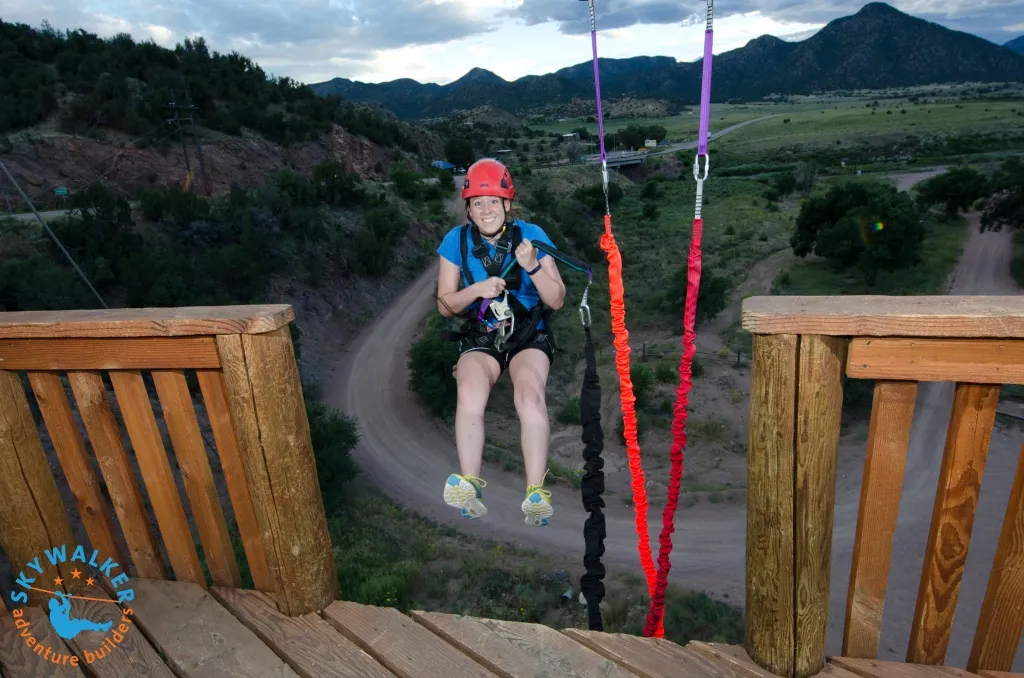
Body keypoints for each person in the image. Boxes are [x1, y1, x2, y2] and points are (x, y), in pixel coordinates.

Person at [435, 158, 566, 527]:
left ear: (508, 204)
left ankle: (536, 493)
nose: (486, 209)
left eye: (493, 201)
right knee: (470, 391)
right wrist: (476, 289)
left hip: (527, 330)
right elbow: (445, 305)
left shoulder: (532, 235)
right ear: (468, 209)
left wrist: (533, 266)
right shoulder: (456, 241)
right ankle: (469, 483)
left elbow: (556, 299)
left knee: (528, 395)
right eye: (478, 202)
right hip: (483, 329)